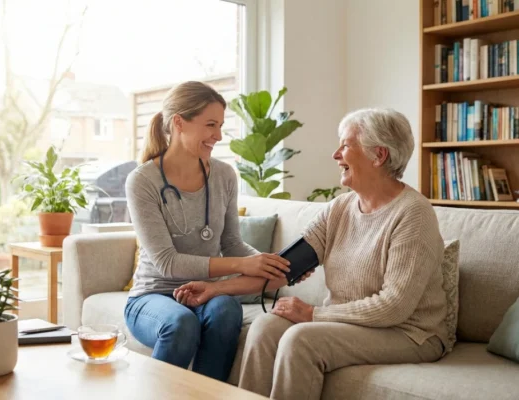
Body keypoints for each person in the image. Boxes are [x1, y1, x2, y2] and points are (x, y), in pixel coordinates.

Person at [173, 108, 449, 399]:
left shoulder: (413, 214)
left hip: (409, 332)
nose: (335, 155)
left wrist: (314, 314)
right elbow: (283, 268)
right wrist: (214, 289)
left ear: (378, 156)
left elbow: (394, 306)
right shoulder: (339, 209)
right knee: (265, 326)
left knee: (301, 340)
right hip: (350, 322)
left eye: (345, 145)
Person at [123, 81, 294, 383]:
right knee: (180, 323)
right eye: (210, 125)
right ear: (179, 123)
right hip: (153, 295)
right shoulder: (142, 181)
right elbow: (167, 261)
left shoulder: (224, 175)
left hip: (206, 292)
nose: (218, 136)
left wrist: (274, 263)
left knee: (226, 310)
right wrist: (243, 265)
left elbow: (231, 243)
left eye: (220, 126)